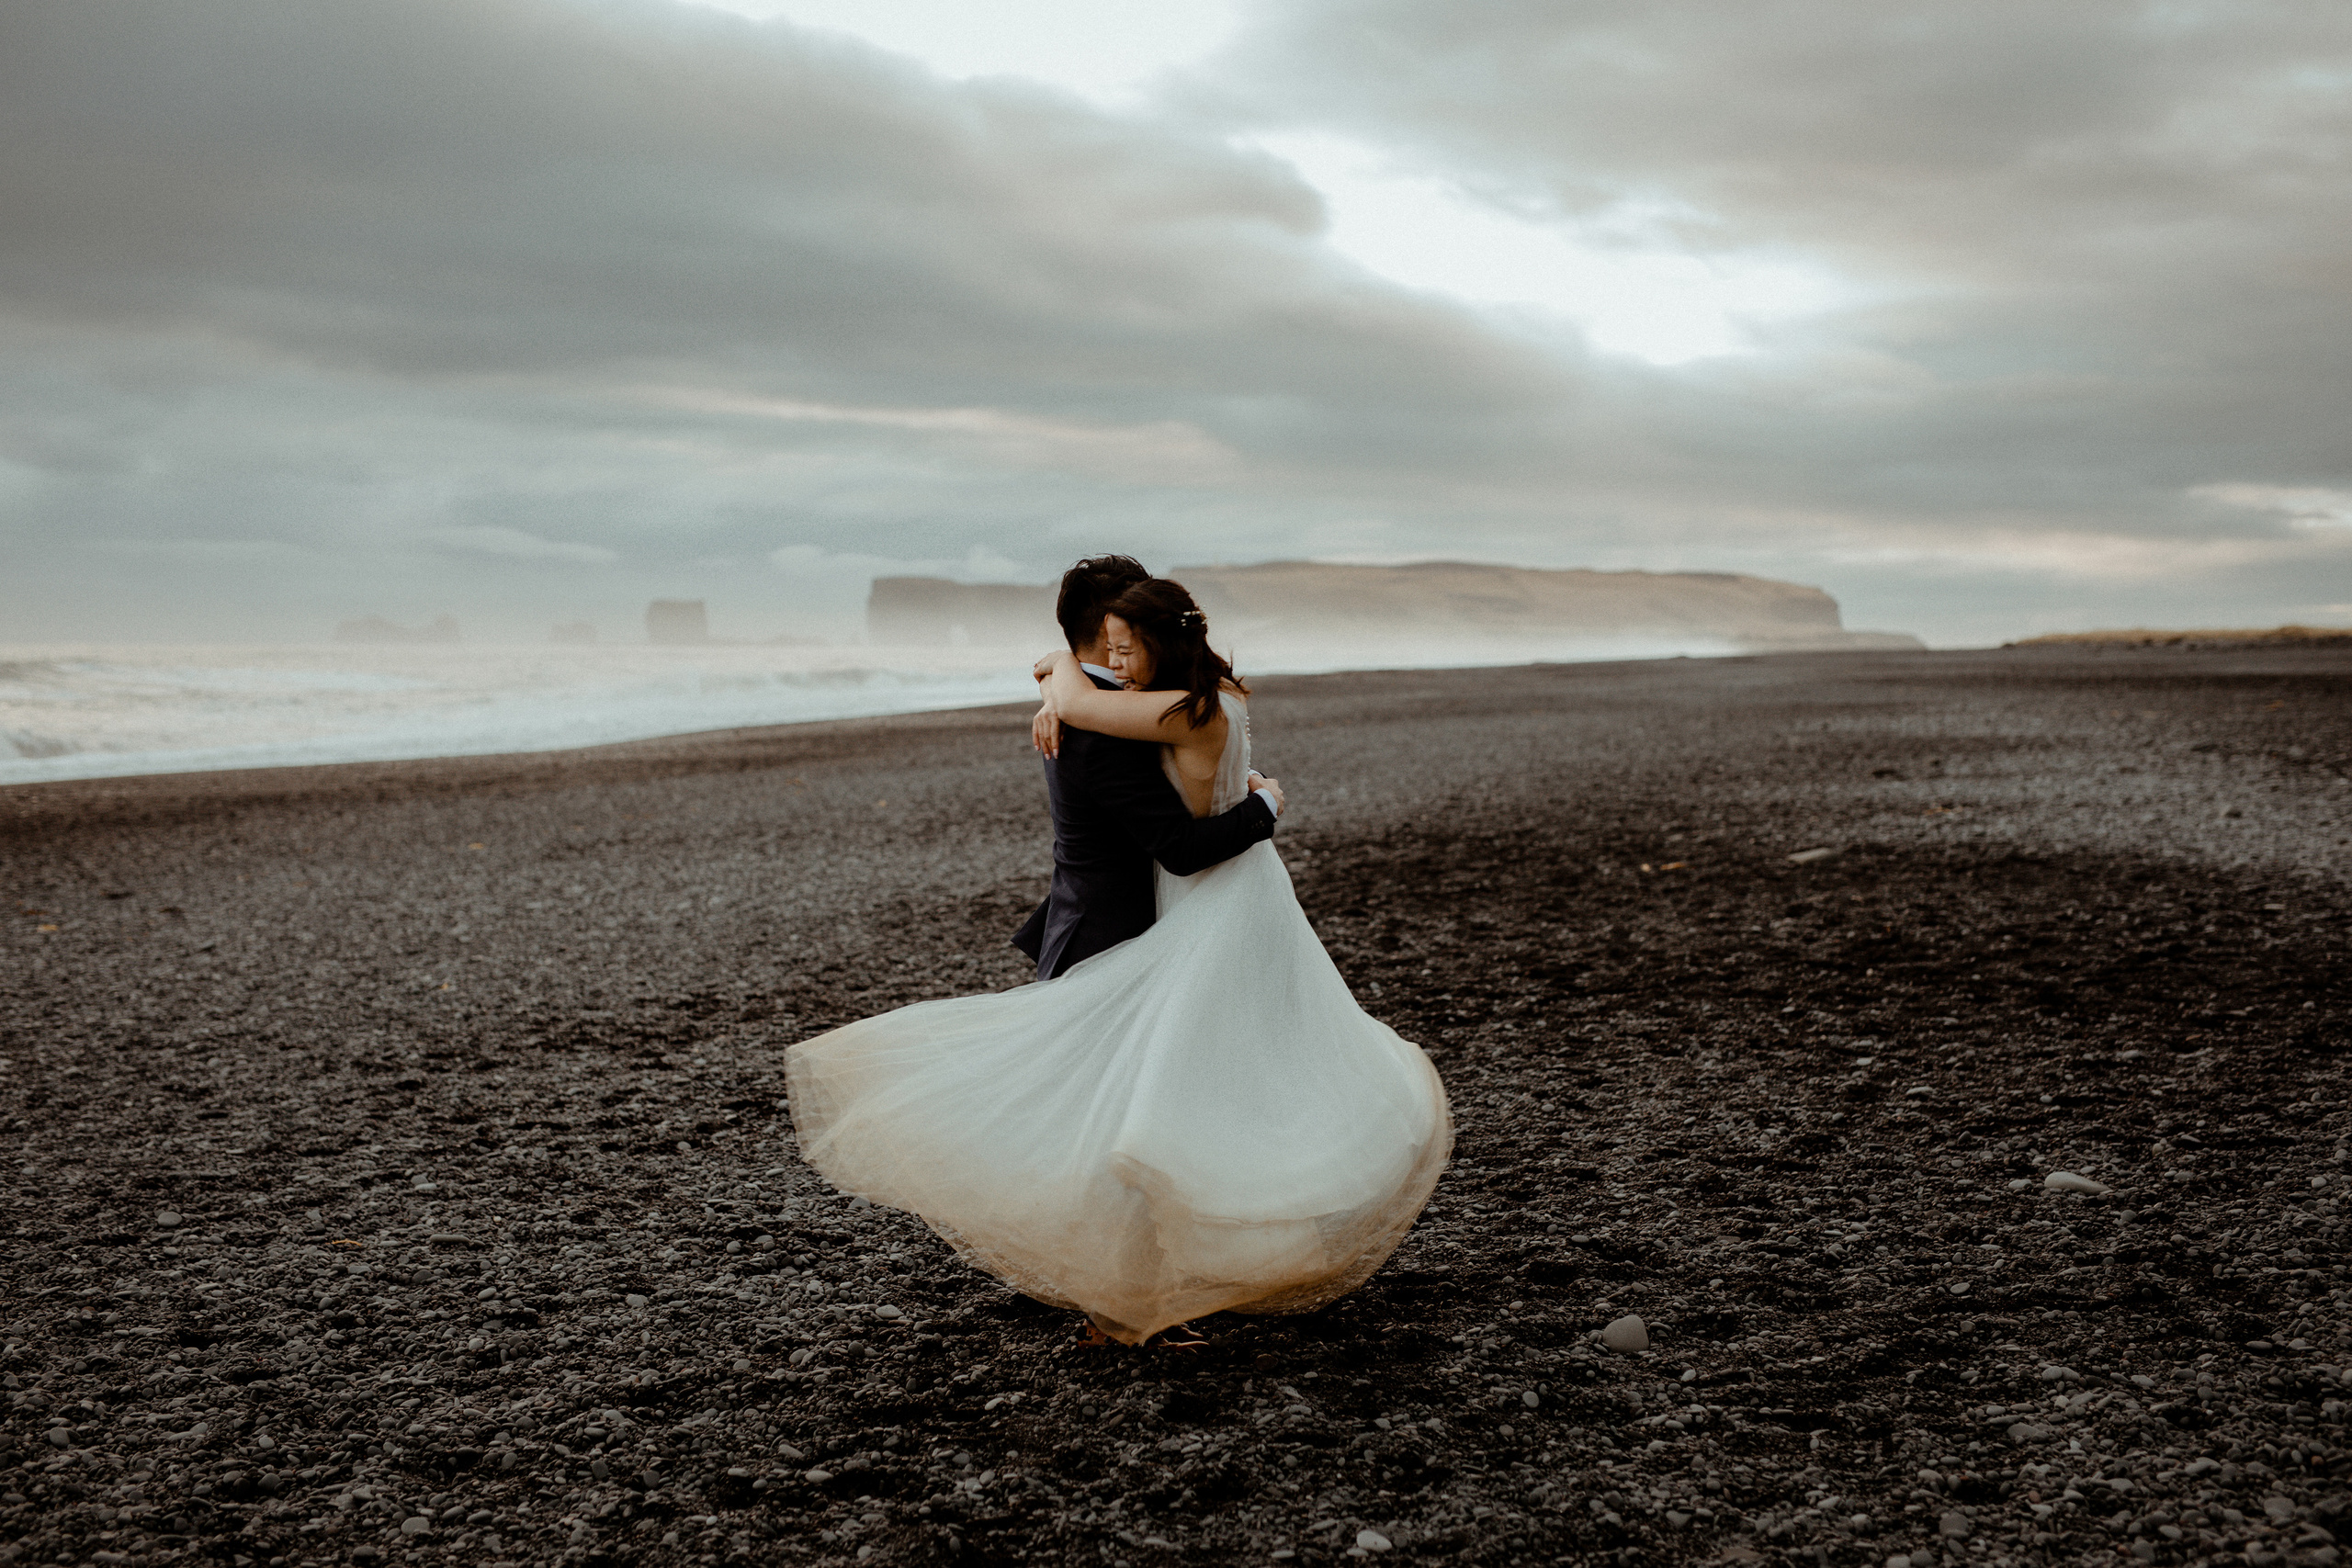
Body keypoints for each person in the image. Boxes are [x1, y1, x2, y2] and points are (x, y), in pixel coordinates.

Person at [785, 570, 1452, 1346]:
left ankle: (1155, 1276)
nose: (1118, 650)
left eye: (1130, 641)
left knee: (1165, 1104)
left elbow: (1110, 736)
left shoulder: (1148, 711)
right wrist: (1263, 800)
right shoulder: (1147, 709)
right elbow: (1106, 738)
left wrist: (1057, 678)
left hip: (1180, 911)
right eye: (1113, 638)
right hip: (1129, 920)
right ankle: (1120, 1290)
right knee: (1141, 1110)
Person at [1010, 555, 1282, 979]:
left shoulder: (1114, 704)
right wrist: (1264, 803)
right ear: (1112, 630)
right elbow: (1181, 845)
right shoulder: (1098, 724)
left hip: (1159, 918)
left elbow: (1196, 756)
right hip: (1108, 940)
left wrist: (1058, 671)